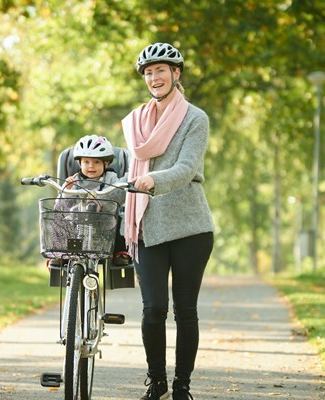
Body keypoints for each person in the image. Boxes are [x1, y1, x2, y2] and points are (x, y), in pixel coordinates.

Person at [122, 42, 215, 400]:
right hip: (148, 227)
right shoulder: (136, 122)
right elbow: (128, 171)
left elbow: (187, 168)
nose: (154, 77)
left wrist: (154, 180)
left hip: (190, 227)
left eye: (161, 70)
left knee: (185, 310)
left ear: (176, 74)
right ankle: (157, 381)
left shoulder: (195, 118)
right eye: (148, 72)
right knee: (153, 309)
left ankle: (182, 387)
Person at [50, 134, 131, 266]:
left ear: (106, 164)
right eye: (86, 162)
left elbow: (118, 196)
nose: (91, 166)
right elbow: (63, 205)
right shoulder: (75, 180)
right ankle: (61, 253)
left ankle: (120, 252)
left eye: (97, 162)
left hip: (105, 223)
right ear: (79, 163)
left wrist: (102, 201)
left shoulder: (111, 178)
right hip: (78, 223)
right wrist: (67, 190)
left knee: (121, 219)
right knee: (61, 219)